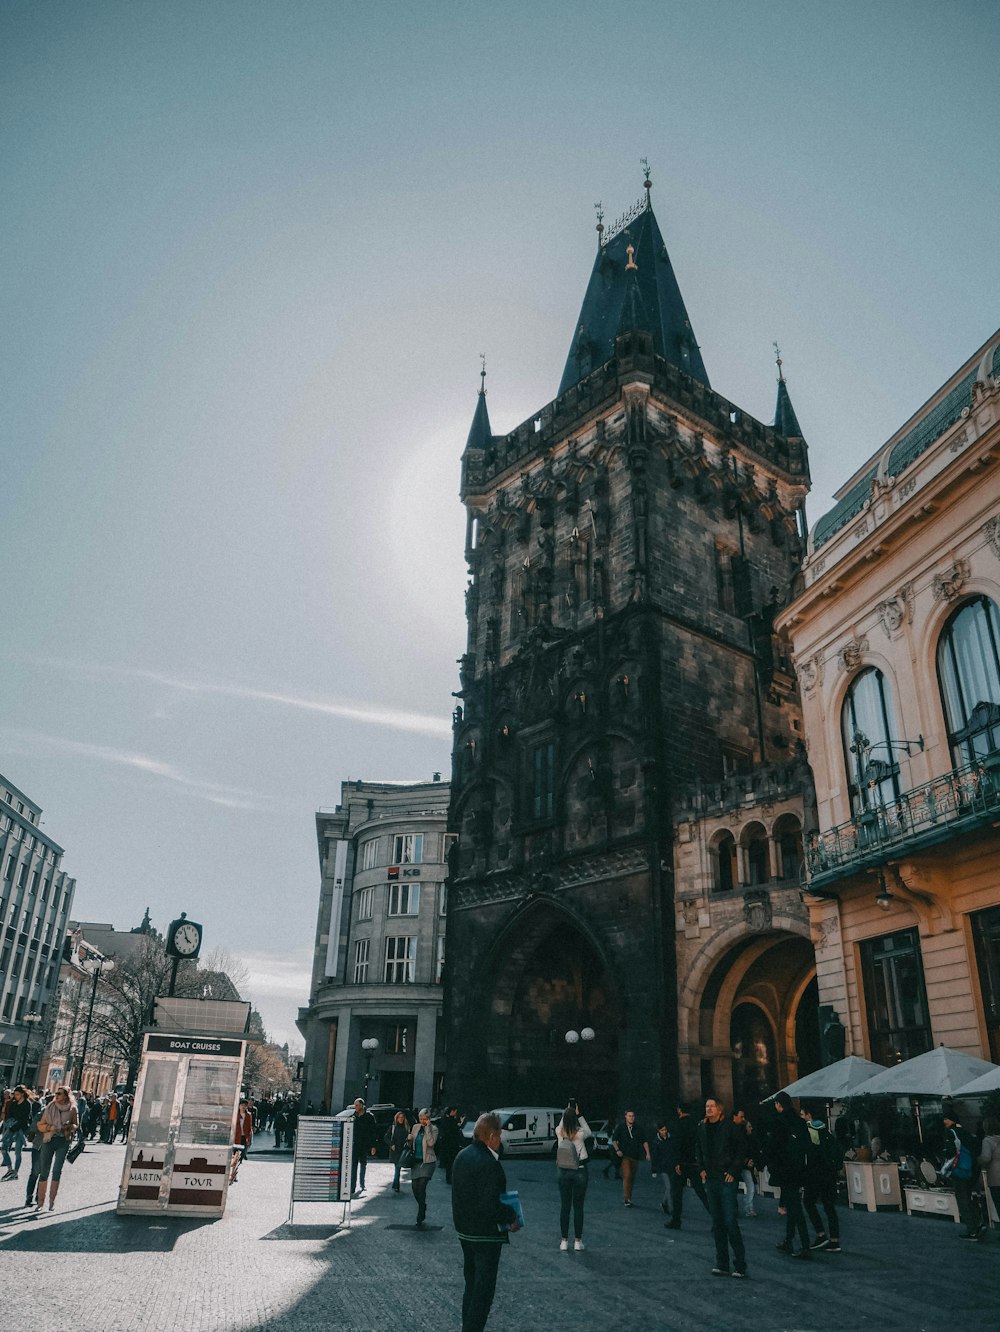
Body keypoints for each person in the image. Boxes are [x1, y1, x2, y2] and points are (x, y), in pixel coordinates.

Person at [452, 1111, 520, 1332]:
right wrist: (511, 1216)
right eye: (499, 1134)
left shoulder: (462, 1156)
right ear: (491, 1136)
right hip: (485, 1235)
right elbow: (489, 1205)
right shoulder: (491, 1164)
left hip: (465, 1233)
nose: (500, 1139)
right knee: (483, 1293)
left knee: (471, 1287)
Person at [696, 1096, 748, 1278]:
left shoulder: (730, 1127)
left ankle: (740, 1265)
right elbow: (699, 1148)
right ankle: (722, 1263)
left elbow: (741, 1150)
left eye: (711, 1106)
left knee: (730, 1222)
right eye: (706, 1106)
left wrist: (733, 1171)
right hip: (711, 1180)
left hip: (726, 1179)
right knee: (717, 1223)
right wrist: (701, 1168)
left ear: (719, 1110)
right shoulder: (702, 1127)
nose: (708, 1109)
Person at [770, 1092, 812, 1258]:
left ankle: (804, 1245)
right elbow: (807, 1146)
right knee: (791, 1203)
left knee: (794, 1207)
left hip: (785, 1170)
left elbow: (774, 1148)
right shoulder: (800, 1122)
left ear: (779, 1104)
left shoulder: (779, 1122)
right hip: (799, 1169)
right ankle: (788, 1240)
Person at [800, 1103, 842, 1251]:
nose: (801, 1117)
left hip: (815, 1173)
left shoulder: (810, 1129)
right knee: (829, 1206)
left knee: (808, 1202)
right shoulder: (826, 1130)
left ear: (809, 1115)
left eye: (802, 1114)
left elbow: (808, 1151)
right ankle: (835, 1240)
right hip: (829, 1174)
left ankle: (821, 1234)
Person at [942, 1100, 982, 1240]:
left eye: (946, 1119)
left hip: (959, 1170)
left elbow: (950, 1153)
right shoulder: (964, 1132)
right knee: (970, 1197)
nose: (945, 1122)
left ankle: (971, 1230)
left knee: (962, 1198)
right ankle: (978, 1223)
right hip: (970, 1169)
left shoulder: (951, 1133)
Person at [34, 1084, 78, 1211]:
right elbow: (40, 1125)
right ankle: (40, 1202)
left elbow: (76, 1124)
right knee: (44, 1171)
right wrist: (50, 1127)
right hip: (49, 1140)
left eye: (59, 1094)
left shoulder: (72, 1108)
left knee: (57, 1171)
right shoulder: (50, 1107)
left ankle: (52, 1202)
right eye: (56, 1093)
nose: (56, 1095)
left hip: (63, 1141)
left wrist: (69, 1127)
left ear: (66, 1096)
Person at [666, 1103, 709, 1229]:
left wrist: (677, 1162)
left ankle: (676, 1219)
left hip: (682, 1163)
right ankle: (717, 1218)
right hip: (695, 1162)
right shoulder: (696, 1124)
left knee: (677, 1193)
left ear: (679, 1110)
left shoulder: (678, 1124)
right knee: (701, 1192)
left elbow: (677, 1144)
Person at [555, 1102, 591, 1249]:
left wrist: (566, 1112)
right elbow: (589, 1131)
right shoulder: (580, 1133)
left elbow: (560, 1125)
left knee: (565, 1206)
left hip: (563, 1171)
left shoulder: (559, 1132)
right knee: (578, 1207)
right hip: (579, 1170)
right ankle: (578, 1241)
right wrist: (578, 1115)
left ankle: (564, 1241)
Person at [407, 1107, 438, 1227]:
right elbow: (410, 1144)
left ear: (429, 1119)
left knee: (422, 1185)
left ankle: (420, 1213)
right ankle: (422, 1204)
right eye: (421, 1118)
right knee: (415, 1187)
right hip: (416, 1161)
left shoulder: (434, 1129)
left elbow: (431, 1143)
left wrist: (428, 1128)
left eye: (425, 1119)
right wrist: (409, 1139)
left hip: (428, 1162)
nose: (422, 1121)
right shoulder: (415, 1127)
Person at [611, 1108, 650, 1207]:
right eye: (629, 1116)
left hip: (635, 1156)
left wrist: (648, 1153)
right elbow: (614, 1139)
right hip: (625, 1156)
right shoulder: (621, 1127)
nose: (631, 1118)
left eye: (633, 1116)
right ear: (625, 1116)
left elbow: (644, 1141)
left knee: (631, 1178)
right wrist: (617, 1150)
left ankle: (629, 1198)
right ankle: (626, 1199)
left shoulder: (638, 1128)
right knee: (627, 1175)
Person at [1, 1084, 32, 1180]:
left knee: (18, 1151)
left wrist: (15, 1126)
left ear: (22, 1094)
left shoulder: (27, 1104)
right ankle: (10, 1169)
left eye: (18, 1094)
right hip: (11, 1127)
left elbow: (25, 1119)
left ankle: (15, 1172)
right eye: (15, 1094)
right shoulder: (13, 1103)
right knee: (3, 1148)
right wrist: (10, 1125)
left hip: (21, 1130)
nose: (16, 1096)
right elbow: (9, 1115)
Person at [732, 1108, 757, 1217]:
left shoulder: (749, 1138)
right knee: (736, 1186)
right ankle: (745, 1208)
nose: (751, 1128)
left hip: (743, 1164)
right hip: (738, 1164)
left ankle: (748, 1207)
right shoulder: (739, 1135)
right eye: (749, 1126)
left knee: (749, 1185)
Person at [350, 1098, 379, 1195]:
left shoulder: (369, 1116)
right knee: (353, 1165)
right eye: (355, 1105)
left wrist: (373, 1146)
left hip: (364, 1144)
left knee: (363, 1164)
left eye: (357, 1105)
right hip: (354, 1144)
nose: (356, 1107)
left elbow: (373, 1132)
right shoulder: (353, 1116)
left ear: (362, 1105)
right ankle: (352, 1187)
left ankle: (362, 1184)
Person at [649, 1119, 676, 1216]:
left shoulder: (671, 1139)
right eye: (662, 1130)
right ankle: (671, 1208)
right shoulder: (656, 1142)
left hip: (672, 1166)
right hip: (663, 1167)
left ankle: (664, 1203)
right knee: (669, 1187)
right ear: (658, 1131)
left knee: (671, 1187)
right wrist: (654, 1170)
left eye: (665, 1130)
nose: (664, 1132)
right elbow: (654, 1157)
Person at [437, 1106, 465, 1185]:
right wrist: (460, 1123)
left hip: (446, 1145)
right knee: (452, 1162)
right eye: (455, 1111)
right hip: (452, 1145)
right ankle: (450, 1178)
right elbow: (456, 1130)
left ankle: (448, 1178)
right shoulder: (451, 1121)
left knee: (449, 1163)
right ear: (452, 1111)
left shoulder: (444, 1119)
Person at [230, 1095, 254, 1183]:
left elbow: (249, 1127)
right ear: (239, 1105)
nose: (243, 1107)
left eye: (245, 1105)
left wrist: (249, 1137)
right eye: (242, 1105)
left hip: (244, 1138)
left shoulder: (248, 1115)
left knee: (240, 1157)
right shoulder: (235, 1114)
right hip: (236, 1138)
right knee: (234, 1156)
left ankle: (234, 1173)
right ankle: (233, 1175)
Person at [387, 1109, 410, 1192]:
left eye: (402, 1117)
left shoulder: (406, 1128)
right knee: (398, 1168)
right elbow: (386, 1137)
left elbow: (408, 1139)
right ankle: (396, 1185)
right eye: (399, 1117)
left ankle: (395, 1185)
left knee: (398, 1169)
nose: (401, 1119)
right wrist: (391, 1144)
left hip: (403, 1151)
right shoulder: (393, 1127)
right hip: (395, 1151)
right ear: (396, 1119)